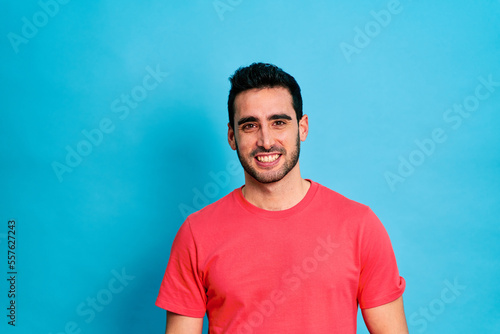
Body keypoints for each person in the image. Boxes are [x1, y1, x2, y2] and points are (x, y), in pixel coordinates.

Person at [156, 63, 408, 333]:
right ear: (232, 136)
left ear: (302, 128)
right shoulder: (196, 233)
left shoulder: (359, 226)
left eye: (278, 123)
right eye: (250, 125)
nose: (265, 141)